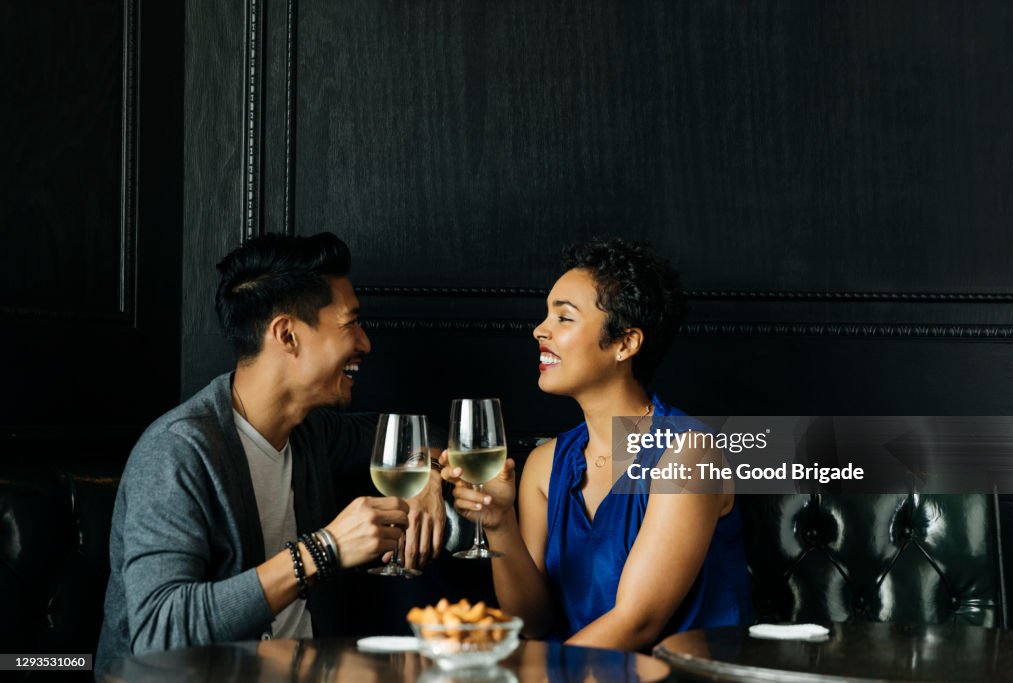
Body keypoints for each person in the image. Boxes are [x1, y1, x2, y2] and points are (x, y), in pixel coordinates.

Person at [96, 233, 450, 678]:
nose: (365, 343)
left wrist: (428, 475)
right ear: (287, 334)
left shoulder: (312, 432)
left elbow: (426, 434)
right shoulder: (178, 451)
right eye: (350, 324)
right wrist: (326, 549)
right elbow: (160, 632)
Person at [442, 238, 751, 651]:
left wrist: (523, 679)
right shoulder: (543, 463)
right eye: (546, 314)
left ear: (625, 343)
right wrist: (499, 523)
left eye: (563, 318)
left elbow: (637, 624)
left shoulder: (690, 453)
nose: (540, 329)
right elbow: (531, 623)